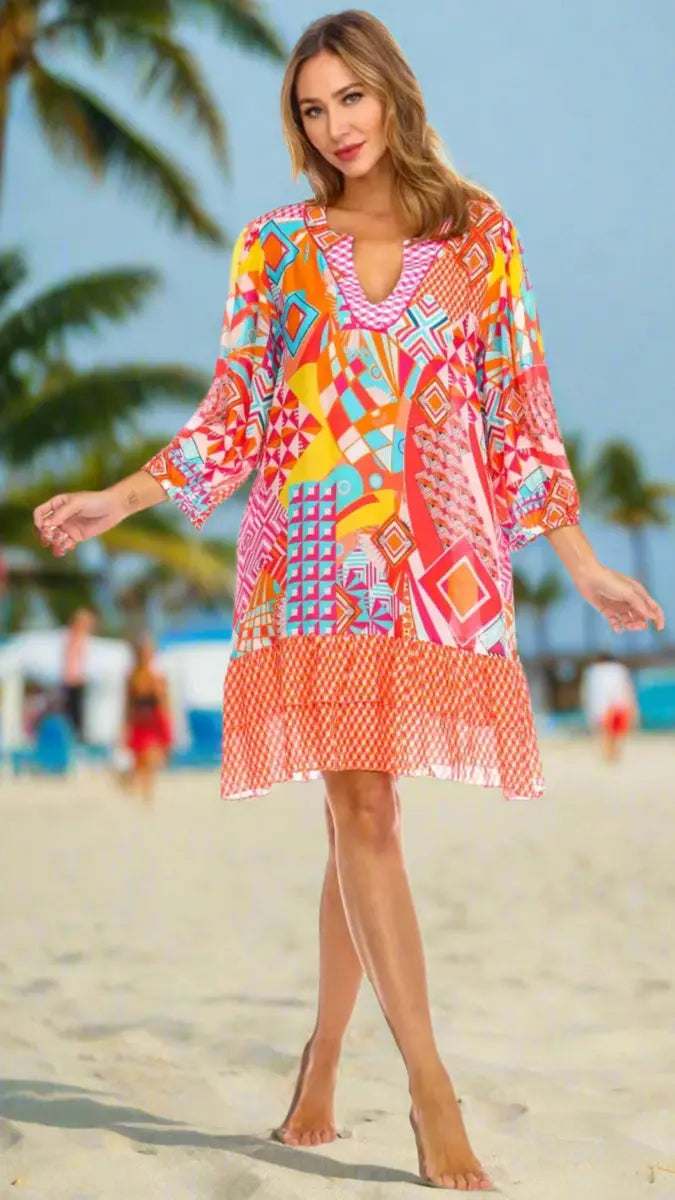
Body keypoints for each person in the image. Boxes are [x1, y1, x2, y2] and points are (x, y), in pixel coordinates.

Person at [32, 10, 665, 1190]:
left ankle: (324, 1048)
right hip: (311, 555)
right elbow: (234, 414)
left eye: (349, 100)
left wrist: (580, 562)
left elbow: (516, 411)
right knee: (362, 811)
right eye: (313, 110)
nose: (335, 127)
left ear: (392, 92)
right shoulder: (275, 246)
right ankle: (432, 1090)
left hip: (439, 561)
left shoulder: (482, 235)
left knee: (363, 824)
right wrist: (120, 496)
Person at [121, 635, 173, 802]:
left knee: (150, 758)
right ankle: (138, 787)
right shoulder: (132, 677)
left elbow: (165, 702)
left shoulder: (158, 676)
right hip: (140, 721)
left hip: (154, 721)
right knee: (139, 762)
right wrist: (125, 726)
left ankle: (147, 793)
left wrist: (167, 724)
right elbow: (128, 704)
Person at [581, 651, 639, 761]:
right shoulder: (620, 669)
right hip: (619, 705)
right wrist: (632, 707)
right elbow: (627, 690)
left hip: (601, 707)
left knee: (604, 733)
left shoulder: (593, 671)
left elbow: (589, 693)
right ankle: (615, 754)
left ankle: (608, 755)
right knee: (616, 734)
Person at [61, 608, 96, 741]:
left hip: (77, 680)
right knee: (73, 711)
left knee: (77, 712)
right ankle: (74, 736)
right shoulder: (72, 638)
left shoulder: (80, 639)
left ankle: (77, 735)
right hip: (72, 680)